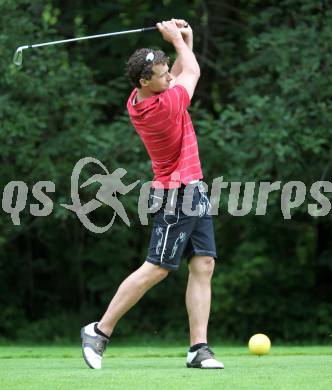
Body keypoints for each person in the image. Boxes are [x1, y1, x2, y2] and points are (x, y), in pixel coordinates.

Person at [81, 19, 224, 370]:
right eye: (162, 76)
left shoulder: (146, 94)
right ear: (145, 82)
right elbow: (190, 69)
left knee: (203, 263)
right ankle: (99, 330)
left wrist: (183, 41)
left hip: (194, 186)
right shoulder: (160, 108)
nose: (169, 78)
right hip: (175, 193)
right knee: (158, 268)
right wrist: (178, 39)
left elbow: (179, 70)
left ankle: (198, 348)